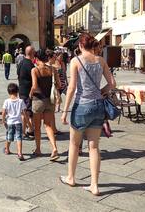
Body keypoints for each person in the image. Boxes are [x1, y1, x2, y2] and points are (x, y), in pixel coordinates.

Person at [60, 33, 116, 196]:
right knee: (94, 146)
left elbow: (71, 88)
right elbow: (112, 84)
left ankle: (71, 177)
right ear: (93, 46)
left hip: (81, 106)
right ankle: (94, 185)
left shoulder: (75, 61)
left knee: (74, 144)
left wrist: (64, 111)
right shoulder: (101, 60)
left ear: (80, 46)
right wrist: (100, 91)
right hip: (98, 106)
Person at [29, 49, 61, 161]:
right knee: (48, 125)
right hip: (50, 100)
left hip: (38, 100)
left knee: (37, 127)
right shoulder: (53, 69)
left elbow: (34, 86)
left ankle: (38, 149)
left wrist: (30, 94)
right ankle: (54, 148)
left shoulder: (35, 70)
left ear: (37, 59)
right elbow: (59, 84)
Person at [2, 83, 26, 161]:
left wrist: (3, 120)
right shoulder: (21, 101)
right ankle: (20, 153)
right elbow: (24, 113)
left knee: (9, 137)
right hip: (18, 122)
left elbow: (3, 112)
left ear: (8, 92)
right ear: (17, 91)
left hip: (10, 122)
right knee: (19, 138)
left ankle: (7, 149)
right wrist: (28, 123)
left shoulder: (6, 101)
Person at [17, 45, 35, 139]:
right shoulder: (30, 65)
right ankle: (24, 132)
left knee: (26, 111)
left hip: (21, 90)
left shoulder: (21, 62)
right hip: (28, 91)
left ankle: (30, 130)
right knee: (26, 112)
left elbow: (18, 74)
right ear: (32, 53)